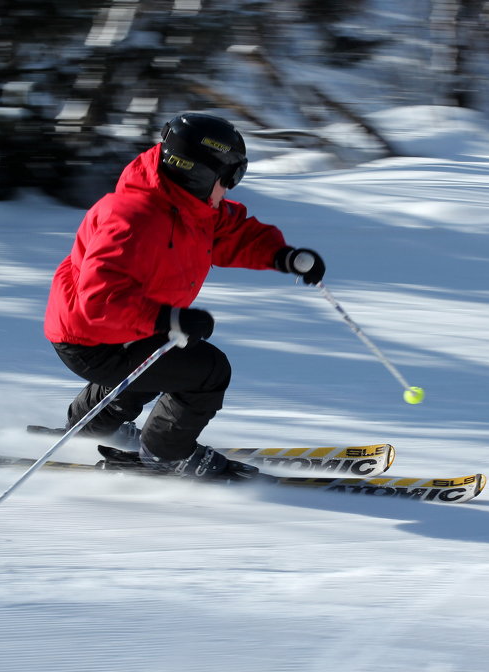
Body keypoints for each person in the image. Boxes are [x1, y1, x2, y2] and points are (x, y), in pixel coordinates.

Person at [43, 111, 326, 481]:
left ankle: (91, 427)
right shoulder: (131, 219)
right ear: (200, 173)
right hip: (93, 337)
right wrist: (169, 319)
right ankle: (166, 453)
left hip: (121, 329)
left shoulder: (191, 207)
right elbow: (99, 300)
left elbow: (234, 235)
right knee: (205, 371)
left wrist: (283, 256)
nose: (230, 188)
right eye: (230, 178)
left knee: (155, 364)